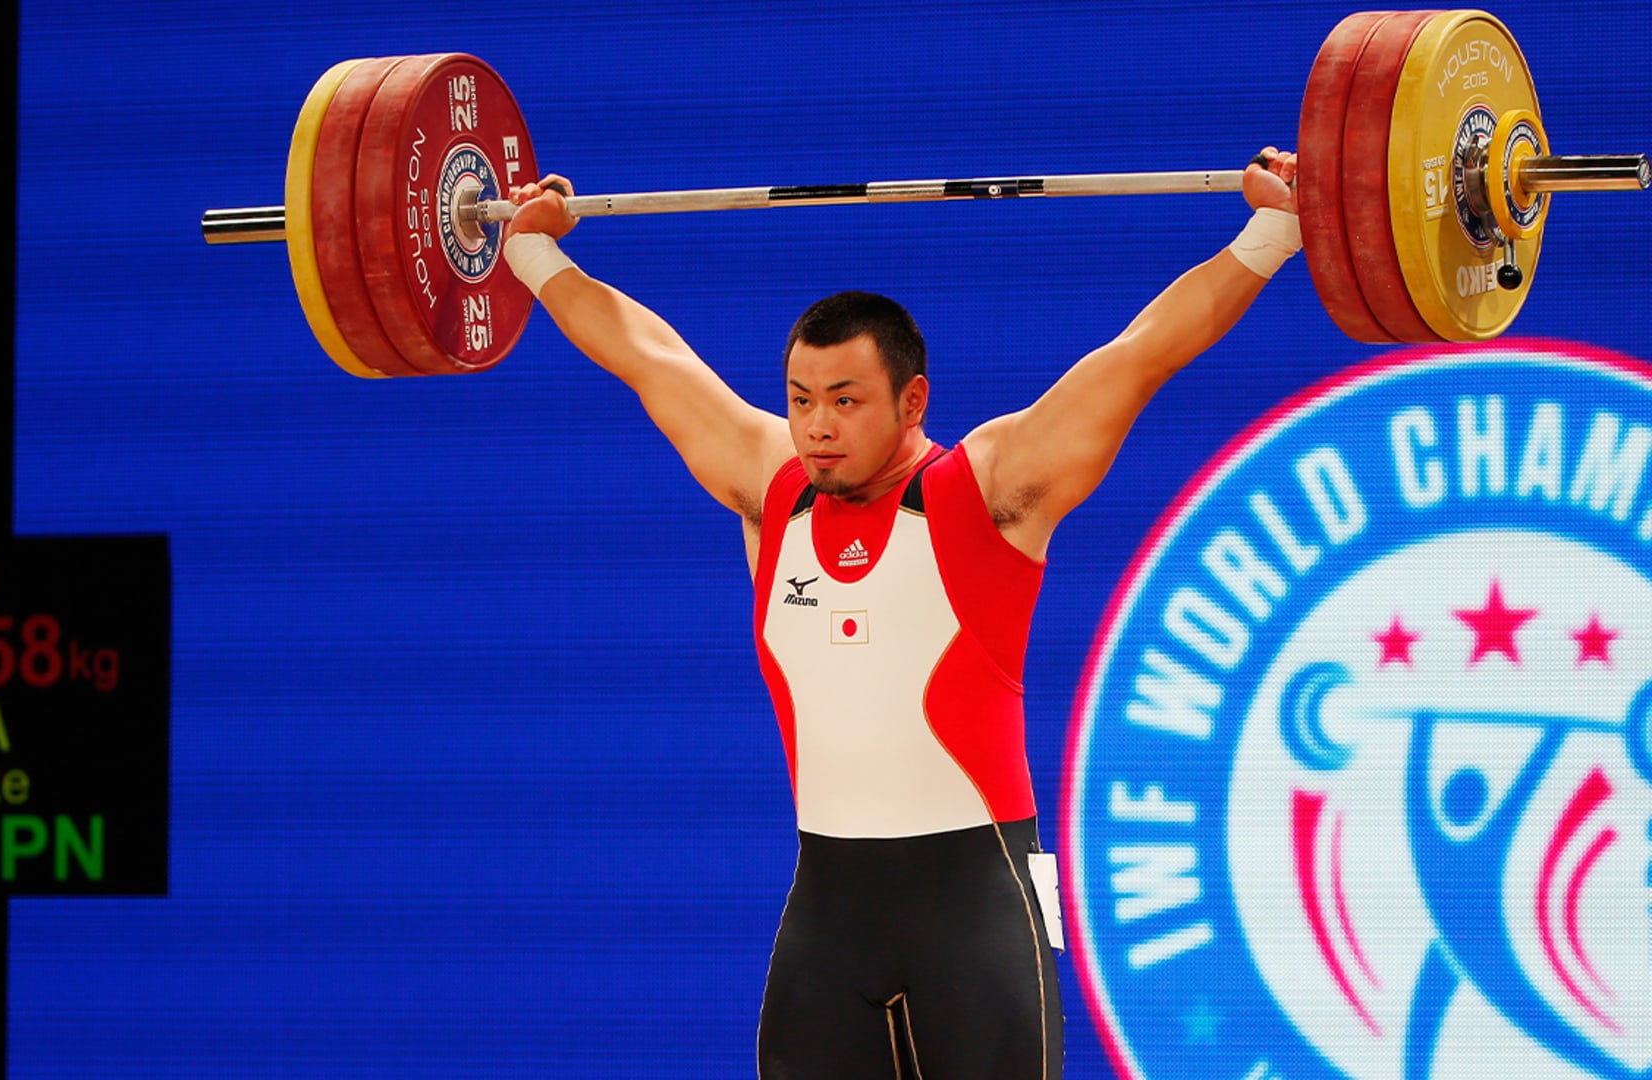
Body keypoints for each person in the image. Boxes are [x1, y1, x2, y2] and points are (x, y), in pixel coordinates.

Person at [498, 149, 1302, 1080]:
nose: (817, 425)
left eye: (846, 401)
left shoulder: (990, 489)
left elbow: (1141, 354)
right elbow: (650, 359)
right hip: (828, 916)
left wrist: (1273, 230)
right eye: (802, 400)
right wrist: (533, 254)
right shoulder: (771, 488)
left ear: (912, 400)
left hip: (979, 911)